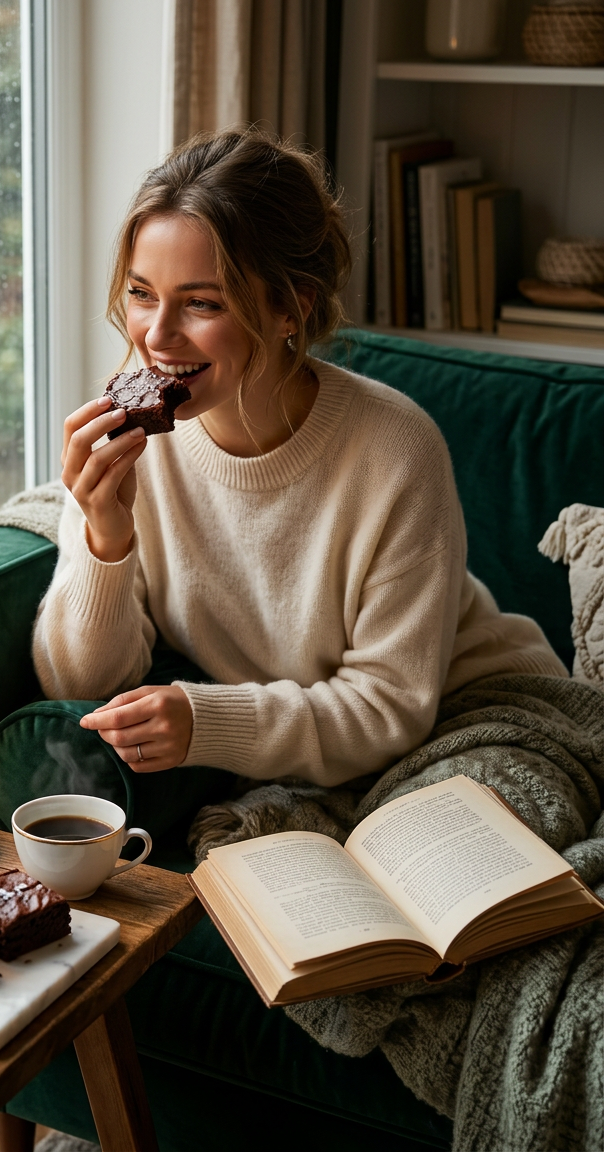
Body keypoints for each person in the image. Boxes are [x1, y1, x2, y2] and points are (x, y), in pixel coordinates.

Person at [32, 129, 566, 787]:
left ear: (290, 308)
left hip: (477, 709)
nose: (156, 336)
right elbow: (80, 685)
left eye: (201, 302)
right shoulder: (129, 445)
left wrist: (209, 723)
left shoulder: (395, 450)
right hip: (335, 741)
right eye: (142, 294)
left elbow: (389, 703)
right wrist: (105, 538)